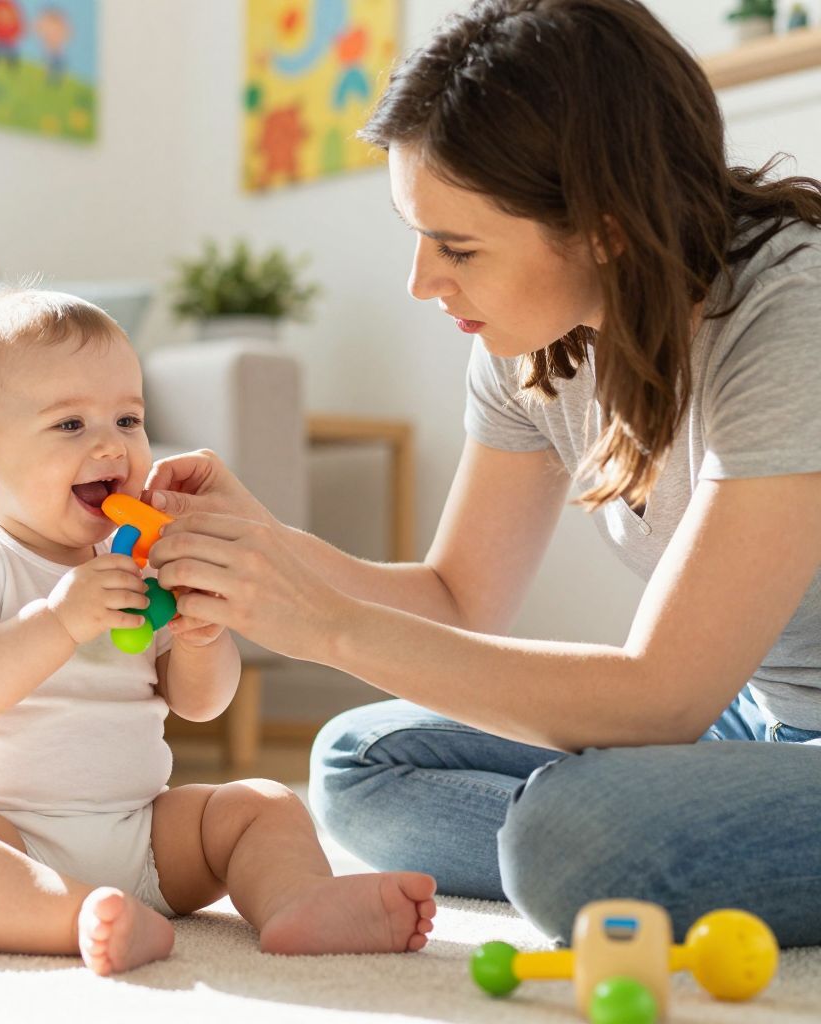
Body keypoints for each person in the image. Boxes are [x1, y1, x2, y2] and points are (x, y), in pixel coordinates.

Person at [141, 0, 821, 947]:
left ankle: (616, 844)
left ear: (607, 227)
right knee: (359, 762)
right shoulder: (532, 343)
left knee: (570, 838)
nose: (424, 280)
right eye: (418, 234)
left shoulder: (790, 310)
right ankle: (665, 842)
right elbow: (458, 600)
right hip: (762, 724)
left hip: (733, 716)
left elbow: (666, 695)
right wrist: (260, 549)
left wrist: (327, 624)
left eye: (458, 247)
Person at [0, 288, 437, 976]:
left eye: (128, 418)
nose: (112, 443)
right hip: (3, 837)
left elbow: (199, 704)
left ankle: (297, 900)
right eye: (70, 424)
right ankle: (69, 915)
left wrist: (201, 638)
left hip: (144, 838)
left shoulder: (140, 558)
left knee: (263, 804)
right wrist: (57, 621)